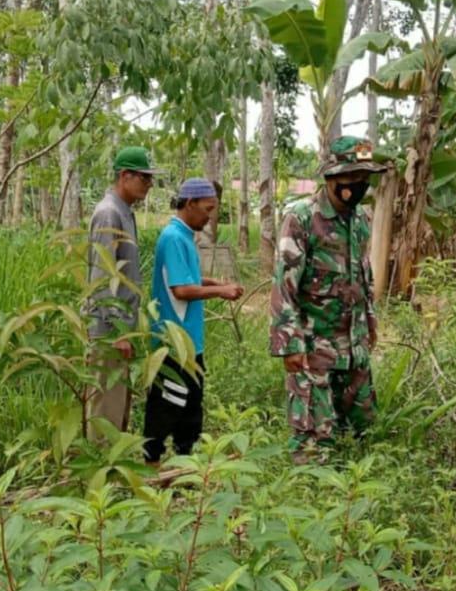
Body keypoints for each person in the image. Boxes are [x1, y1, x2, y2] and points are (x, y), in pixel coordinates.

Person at [269, 137, 387, 464]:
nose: (361, 185)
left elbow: (364, 276)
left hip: (353, 347)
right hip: (313, 347)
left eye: (365, 178)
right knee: (314, 444)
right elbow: (285, 284)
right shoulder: (302, 218)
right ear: (331, 178)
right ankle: (311, 501)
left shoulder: (360, 218)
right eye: (353, 179)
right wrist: (290, 344)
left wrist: (371, 326)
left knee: (361, 434)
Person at [143, 178, 245, 465]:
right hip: (173, 342)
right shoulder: (174, 237)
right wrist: (220, 291)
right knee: (166, 406)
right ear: (190, 204)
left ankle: (183, 464)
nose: (210, 216)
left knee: (190, 407)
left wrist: (211, 281)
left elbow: (185, 279)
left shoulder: (184, 235)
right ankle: (151, 466)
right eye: (207, 208)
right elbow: (181, 290)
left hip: (189, 342)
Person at [85, 145, 163, 436]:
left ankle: (111, 471)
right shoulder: (109, 213)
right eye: (144, 177)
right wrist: (117, 332)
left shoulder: (124, 212)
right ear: (124, 175)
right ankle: (98, 475)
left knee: (118, 404)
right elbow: (104, 275)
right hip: (108, 330)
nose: (149, 184)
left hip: (120, 329)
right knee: (105, 407)